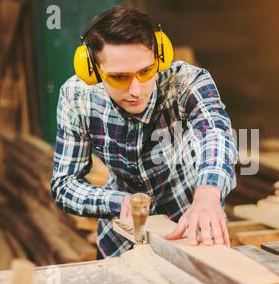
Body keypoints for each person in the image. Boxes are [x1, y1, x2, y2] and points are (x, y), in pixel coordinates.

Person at [51, 5, 238, 258]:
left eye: (145, 71)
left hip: (192, 227)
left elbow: (216, 132)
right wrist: (119, 202)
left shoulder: (186, 82)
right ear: (92, 70)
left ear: (160, 57)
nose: (136, 90)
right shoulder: (77, 97)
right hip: (121, 236)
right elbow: (65, 184)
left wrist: (207, 195)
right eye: (119, 77)